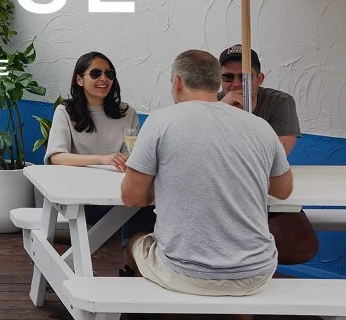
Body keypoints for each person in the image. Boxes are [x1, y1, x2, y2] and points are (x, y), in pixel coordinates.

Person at [122, 50, 293, 295]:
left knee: (135, 240)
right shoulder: (260, 126)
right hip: (256, 272)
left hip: (184, 273)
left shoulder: (161, 121)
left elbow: (132, 197)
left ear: (177, 82)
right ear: (216, 82)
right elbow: (283, 191)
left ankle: (147, 310)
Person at [218, 44, 318, 264]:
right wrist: (221, 113)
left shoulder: (279, 103)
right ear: (219, 78)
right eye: (228, 77)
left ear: (259, 78)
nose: (236, 84)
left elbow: (279, 155)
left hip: (266, 193)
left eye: (245, 77)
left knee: (301, 245)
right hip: (220, 196)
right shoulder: (210, 106)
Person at [45, 51, 138, 170]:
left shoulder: (128, 113)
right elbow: (56, 157)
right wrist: (102, 159)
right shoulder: (65, 111)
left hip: (113, 182)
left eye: (109, 73)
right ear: (79, 80)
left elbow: (131, 157)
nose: (104, 78)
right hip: (73, 181)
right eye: (96, 73)